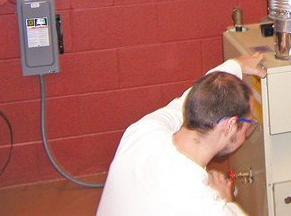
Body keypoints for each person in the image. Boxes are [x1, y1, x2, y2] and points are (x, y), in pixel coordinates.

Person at [97, 52, 267, 216]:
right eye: (248, 125)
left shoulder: (142, 131)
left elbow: (185, 101)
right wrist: (226, 200)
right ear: (229, 126)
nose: (246, 133)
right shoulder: (202, 204)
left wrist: (235, 65)